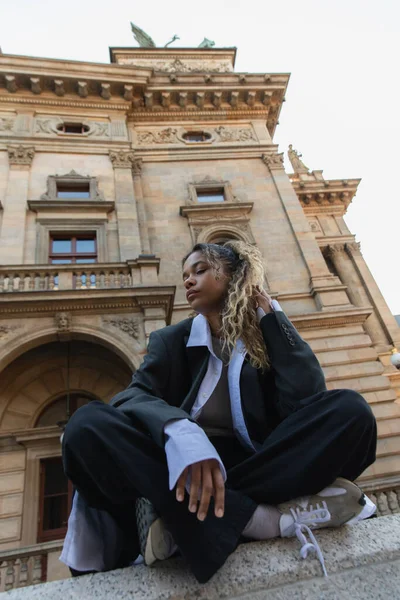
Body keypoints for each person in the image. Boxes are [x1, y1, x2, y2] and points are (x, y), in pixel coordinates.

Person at [61, 241, 377, 583]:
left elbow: (306, 401)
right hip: (177, 469)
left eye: (200, 270)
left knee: (351, 410)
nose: (188, 281)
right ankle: (266, 520)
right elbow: (133, 395)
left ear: (233, 275)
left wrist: (275, 322)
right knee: (85, 426)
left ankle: (183, 518)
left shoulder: (265, 336)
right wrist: (178, 430)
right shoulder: (170, 340)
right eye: (185, 275)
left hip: (258, 467)